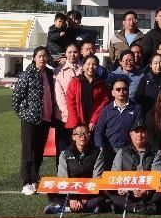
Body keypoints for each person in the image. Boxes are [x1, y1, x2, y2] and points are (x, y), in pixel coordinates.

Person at [12, 47, 56, 196]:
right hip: (30, 119)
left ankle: (34, 178)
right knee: (28, 151)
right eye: (39, 56)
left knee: (39, 151)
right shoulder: (27, 74)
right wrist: (25, 114)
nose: (42, 59)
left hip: (46, 118)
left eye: (45, 56)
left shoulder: (49, 73)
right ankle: (26, 181)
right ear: (34, 58)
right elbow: (16, 98)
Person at [108, 116, 161, 215]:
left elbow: (156, 175)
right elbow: (115, 173)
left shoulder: (156, 152)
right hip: (127, 191)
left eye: (142, 132)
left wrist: (145, 190)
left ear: (147, 134)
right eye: (136, 132)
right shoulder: (122, 152)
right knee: (107, 189)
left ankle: (129, 207)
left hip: (148, 192)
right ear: (131, 134)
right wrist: (126, 188)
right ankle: (138, 207)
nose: (139, 135)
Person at [43, 124, 105, 215]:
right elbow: (62, 178)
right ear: (73, 137)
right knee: (51, 190)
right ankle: (85, 208)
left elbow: (97, 178)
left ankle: (65, 208)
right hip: (71, 190)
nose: (82, 136)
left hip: (89, 190)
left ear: (89, 135)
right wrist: (72, 197)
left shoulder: (98, 152)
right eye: (78, 134)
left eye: (85, 133)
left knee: (103, 196)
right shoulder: (65, 154)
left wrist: (84, 197)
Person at [94, 78, 142, 169]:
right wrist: (100, 146)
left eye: (124, 89)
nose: (121, 92)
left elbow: (138, 130)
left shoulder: (136, 108)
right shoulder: (107, 109)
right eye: (118, 89)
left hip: (129, 150)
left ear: (128, 91)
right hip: (110, 150)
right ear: (113, 92)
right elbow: (99, 130)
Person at [65, 55, 109, 135]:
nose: (91, 67)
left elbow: (104, 102)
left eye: (94, 64)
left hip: (95, 122)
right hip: (78, 122)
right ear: (83, 66)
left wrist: (94, 121)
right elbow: (70, 103)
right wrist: (77, 124)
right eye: (88, 64)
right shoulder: (75, 81)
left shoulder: (101, 83)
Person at [53, 43, 82, 156]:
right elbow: (59, 96)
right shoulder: (58, 71)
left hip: (81, 116)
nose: (72, 55)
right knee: (63, 148)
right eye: (69, 52)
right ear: (65, 54)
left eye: (75, 52)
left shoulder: (84, 69)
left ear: (79, 53)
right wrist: (69, 113)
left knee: (79, 146)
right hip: (63, 117)